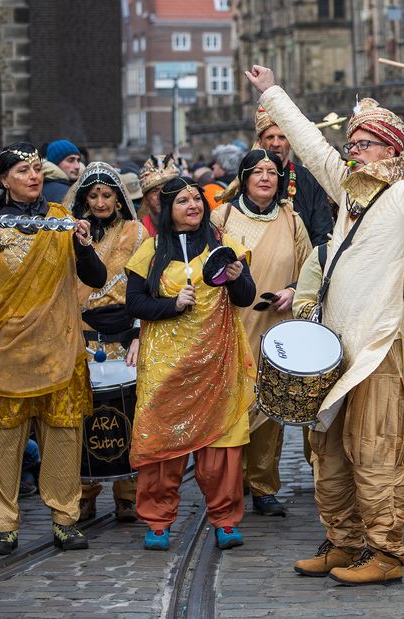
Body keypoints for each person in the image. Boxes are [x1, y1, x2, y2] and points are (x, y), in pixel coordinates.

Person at [249, 60, 404, 586]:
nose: (353, 149)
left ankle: (386, 553)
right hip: (336, 350)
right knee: (331, 455)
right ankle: (344, 543)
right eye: (353, 142)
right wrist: (272, 90)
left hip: (379, 350)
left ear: (389, 151)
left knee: (377, 452)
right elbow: (310, 144)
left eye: (365, 143)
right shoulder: (346, 193)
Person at [0, 142, 107, 555]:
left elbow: (95, 278)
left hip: (58, 346)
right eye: (22, 171)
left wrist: (81, 244)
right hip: (8, 349)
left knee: (62, 436)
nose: (33, 176)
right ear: (3, 179)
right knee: (3, 440)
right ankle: (3, 524)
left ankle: (65, 519)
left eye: (37, 169)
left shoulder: (62, 220)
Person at [125, 177, 256, 552]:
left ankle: (226, 520)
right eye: (183, 201)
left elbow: (246, 297)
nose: (193, 206)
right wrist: (171, 305)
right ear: (167, 209)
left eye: (197, 199)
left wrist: (236, 278)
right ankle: (158, 520)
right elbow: (134, 304)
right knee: (162, 444)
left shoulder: (225, 246)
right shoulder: (150, 250)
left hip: (216, 360)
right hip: (166, 366)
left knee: (222, 446)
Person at [212, 149, 312, 517]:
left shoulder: (291, 220)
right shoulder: (222, 217)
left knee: (269, 407)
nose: (266, 178)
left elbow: (307, 271)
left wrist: (293, 289)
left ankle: (264, 485)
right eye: (258, 172)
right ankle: (230, 483)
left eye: (272, 171)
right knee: (233, 406)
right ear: (245, 177)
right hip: (233, 324)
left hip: (276, 324)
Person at [70, 162, 146, 523]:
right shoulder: (74, 234)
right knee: (86, 416)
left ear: (118, 198)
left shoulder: (136, 232)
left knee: (128, 414)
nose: (100, 202)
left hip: (125, 331)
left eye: (107, 195)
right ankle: (84, 494)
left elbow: (146, 283)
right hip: (83, 334)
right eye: (94, 195)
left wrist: (139, 331)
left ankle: (128, 495)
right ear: (85, 199)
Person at [251, 106, 334, 245]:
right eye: (270, 137)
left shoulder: (309, 180)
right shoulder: (249, 180)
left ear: (290, 142)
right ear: (260, 142)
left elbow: (322, 232)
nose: (276, 143)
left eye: (282, 137)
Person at [137, 155, 180, 236]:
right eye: (154, 191)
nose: (161, 195)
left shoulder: (188, 225)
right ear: (146, 199)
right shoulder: (138, 232)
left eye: (166, 188)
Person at [41, 139, 83, 204]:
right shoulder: (59, 191)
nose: (77, 166)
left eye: (78, 160)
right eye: (70, 160)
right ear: (55, 163)